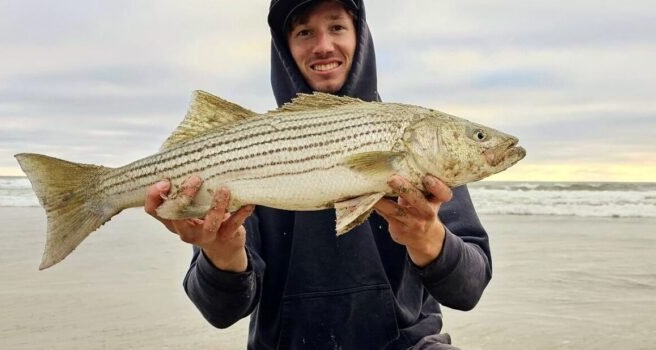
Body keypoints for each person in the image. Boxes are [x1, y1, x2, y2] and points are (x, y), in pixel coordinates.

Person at [145, 0, 492, 348]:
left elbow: (469, 289)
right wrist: (221, 255)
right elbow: (221, 312)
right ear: (285, 48)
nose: (323, 45)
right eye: (304, 32)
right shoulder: (248, 150)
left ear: (360, 37)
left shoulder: (418, 144)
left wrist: (428, 237)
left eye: (337, 27)